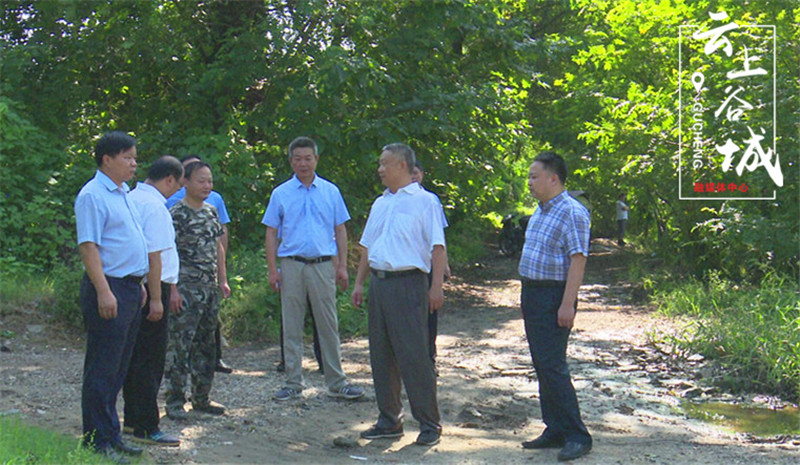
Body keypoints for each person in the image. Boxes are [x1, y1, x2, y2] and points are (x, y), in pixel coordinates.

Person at [352, 143, 446, 447]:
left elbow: (437, 247)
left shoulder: (425, 201)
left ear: (402, 166)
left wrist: (436, 287)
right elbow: (367, 247)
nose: (380, 169)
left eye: (385, 164)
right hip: (380, 283)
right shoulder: (380, 203)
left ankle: (429, 423)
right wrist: (359, 283)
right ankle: (389, 420)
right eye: (379, 164)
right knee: (381, 354)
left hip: (409, 284)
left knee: (414, 355)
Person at [263, 136, 364, 402]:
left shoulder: (330, 191)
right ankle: (292, 382)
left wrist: (342, 266)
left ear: (316, 159)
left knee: (328, 324)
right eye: (297, 158)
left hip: (323, 265)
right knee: (292, 324)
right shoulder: (281, 193)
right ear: (291, 161)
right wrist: (273, 269)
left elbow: (340, 229)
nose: (303, 163)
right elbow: (271, 232)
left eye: (308, 158)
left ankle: (337, 381)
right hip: (292, 264)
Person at [74, 131, 149, 464]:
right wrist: (104, 290)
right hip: (109, 287)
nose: (134, 164)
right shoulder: (93, 195)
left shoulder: (123, 193)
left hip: (130, 288)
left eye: (135, 157)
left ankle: (112, 434)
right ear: (107, 158)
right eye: (127, 157)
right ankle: (96, 440)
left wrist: (140, 282)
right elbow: (89, 246)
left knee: (119, 368)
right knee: (102, 368)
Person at [518, 151, 592, 461]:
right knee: (541, 363)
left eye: (535, 176)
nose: (530, 182)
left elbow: (578, 259)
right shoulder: (541, 210)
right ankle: (555, 428)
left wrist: (567, 305)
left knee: (553, 365)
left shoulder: (572, 212)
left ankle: (577, 434)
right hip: (533, 292)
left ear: (554, 178)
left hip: (553, 296)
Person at [121, 156, 183, 447]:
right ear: (170, 179)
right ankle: (147, 424)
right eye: (177, 184)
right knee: (150, 359)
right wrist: (158, 297)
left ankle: (132, 419)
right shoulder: (155, 207)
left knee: (134, 357)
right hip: (153, 287)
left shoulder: (132, 197)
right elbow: (155, 255)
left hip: (136, 285)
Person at [164, 161, 231, 419]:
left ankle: (202, 397)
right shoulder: (176, 214)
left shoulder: (212, 212)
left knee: (206, 346)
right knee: (180, 346)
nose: (207, 186)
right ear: (186, 182)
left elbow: (218, 247)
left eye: (210, 181)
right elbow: (167, 252)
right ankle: (174, 402)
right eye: (201, 180)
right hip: (184, 288)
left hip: (209, 289)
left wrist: (222, 280)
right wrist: (172, 290)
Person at [410, 159, 451, 370]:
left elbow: (439, 236)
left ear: (422, 174)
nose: (414, 176)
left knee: (430, 312)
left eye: (418, 172)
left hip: (430, 263)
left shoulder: (431, 200)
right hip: (412, 266)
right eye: (412, 173)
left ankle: (430, 356)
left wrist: (444, 264)